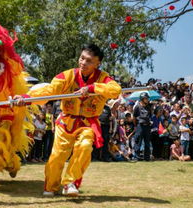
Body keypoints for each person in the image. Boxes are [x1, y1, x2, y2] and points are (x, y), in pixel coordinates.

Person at [14, 44, 121, 196]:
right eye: (82, 58)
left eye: (89, 61)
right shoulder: (68, 75)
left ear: (98, 64)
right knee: (57, 156)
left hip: (88, 124)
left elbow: (115, 90)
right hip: (66, 122)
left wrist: (92, 88)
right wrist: (26, 98)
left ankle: (70, 183)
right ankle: (51, 187)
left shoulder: (104, 78)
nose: (83, 63)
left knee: (84, 147)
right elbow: (50, 90)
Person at [133, 92, 152, 161]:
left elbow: (149, 116)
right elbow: (134, 117)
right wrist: (136, 125)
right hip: (140, 126)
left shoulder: (148, 107)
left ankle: (147, 157)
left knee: (147, 142)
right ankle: (136, 157)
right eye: (146, 98)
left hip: (147, 126)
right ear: (142, 99)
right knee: (138, 141)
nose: (147, 100)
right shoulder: (137, 107)